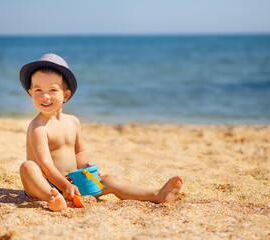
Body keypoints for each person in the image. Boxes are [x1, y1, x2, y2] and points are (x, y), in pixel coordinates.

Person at [19, 53, 183, 211]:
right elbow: (45, 165)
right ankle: (53, 199)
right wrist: (63, 186)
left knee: (111, 182)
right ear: (30, 93)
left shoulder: (73, 122)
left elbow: (79, 151)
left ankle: (155, 195)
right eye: (38, 90)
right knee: (28, 167)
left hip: (73, 183)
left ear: (66, 95)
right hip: (45, 185)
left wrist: (85, 168)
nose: (45, 96)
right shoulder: (38, 127)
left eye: (52, 90)